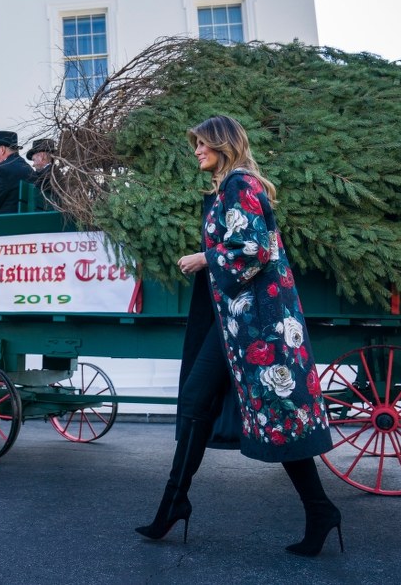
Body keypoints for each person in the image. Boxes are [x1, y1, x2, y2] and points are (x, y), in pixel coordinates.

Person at [135, 115, 342, 557]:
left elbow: (254, 248)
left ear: (224, 144)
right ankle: (174, 502)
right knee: (200, 402)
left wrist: (203, 258)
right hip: (236, 321)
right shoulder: (229, 187)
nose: (196, 150)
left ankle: (320, 509)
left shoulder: (239, 183)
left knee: (278, 411)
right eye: (194, 144)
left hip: (257, 323)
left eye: (202, 143)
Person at [0, 130, 34, 215]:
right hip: (27, 220)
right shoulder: (28, 168)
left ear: (3, 149)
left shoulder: (1, 170)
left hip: (6, 221)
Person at [26, 138, 58, 207]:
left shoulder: (46, 176)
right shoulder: (54, 171)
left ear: (42, 157)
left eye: (34, 160)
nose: (33, 165)